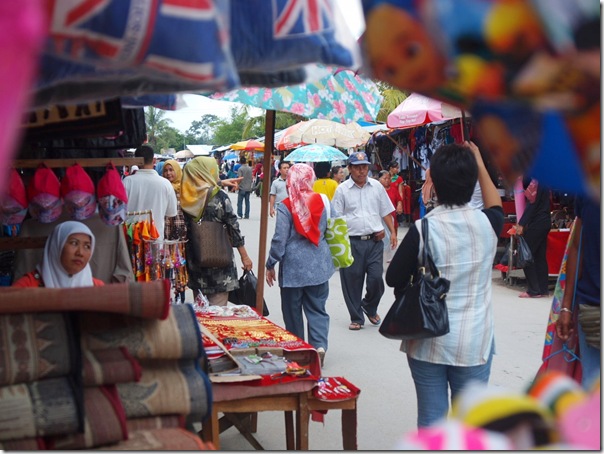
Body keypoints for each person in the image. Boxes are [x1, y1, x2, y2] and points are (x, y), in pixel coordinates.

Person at [385, 141, 504, 428]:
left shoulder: (423, 229)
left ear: (435, 185)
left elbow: (393, 278)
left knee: (432, 421)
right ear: (473, 183)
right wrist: (478, 162)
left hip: (427, 339)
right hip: (474, 340)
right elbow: (495, 204)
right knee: (470, 424)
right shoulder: (489, 224)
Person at [265, 163, 335, 366]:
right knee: (317, 308)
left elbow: (280, 239)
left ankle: (299, 350)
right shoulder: (323, 200)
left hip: (293, 269)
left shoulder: (286, 205)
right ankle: (319, 346)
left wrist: (271, 263)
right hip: (319, 265)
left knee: (292, 311)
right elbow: (332, 228)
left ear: (290, 181)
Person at [332, 151, 397, 331]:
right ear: (350, 168)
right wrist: (338, 245)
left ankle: (369, 305)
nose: (362, 171)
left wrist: (392, 232)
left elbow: (385, 211)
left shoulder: (376, 186)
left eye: (364, 167)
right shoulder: (342, 190)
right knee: (352, 281)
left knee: (376, 279)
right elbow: (336, 218)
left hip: (374, 241)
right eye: (357, 168)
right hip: (351, 242)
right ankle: (356, 317)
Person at [181, 156, 253, 306]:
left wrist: (220, 183)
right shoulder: (219, 197)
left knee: (201, 313)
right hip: (221, 267)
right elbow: (233, 228)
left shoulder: (185, 198)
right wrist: (244, 256)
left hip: (196, 263)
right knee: (219, 314)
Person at [555, 195, 600, 387]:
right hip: (593, 307)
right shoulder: (587, 193)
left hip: (592, 306)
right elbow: (576, 247)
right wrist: (566, 307)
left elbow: (576, 248)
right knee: (592, 382)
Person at [13, 221, 104, 288]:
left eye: (87, 246)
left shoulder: (97, 288)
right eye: (74, 243)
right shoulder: (26, 286)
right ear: (56, 247)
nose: (80, 253)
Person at [123, 144, 177, 241]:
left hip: (131, 240)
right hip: (156, 241)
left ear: (136, 161)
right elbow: (171, 213)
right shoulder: (165, 184)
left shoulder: (127, 182)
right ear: (154, 161)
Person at [515, 178, 551, 298]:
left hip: (537, 222)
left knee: (526, 254)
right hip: (544, 221)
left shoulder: (536, 182)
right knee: (539, 256)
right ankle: (543, 289)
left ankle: (533, 290)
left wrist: (521, 223)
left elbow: (532, 205)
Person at [162, 159, 188, 303]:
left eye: (171, 170)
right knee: (166, 268)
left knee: (179, 269)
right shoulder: (162, 188)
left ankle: (180, 298)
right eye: (166, 170)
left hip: (180, 236)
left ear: (177, 171)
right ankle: (168, 299)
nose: (168, 173)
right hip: (165, 235)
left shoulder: (184, 189)